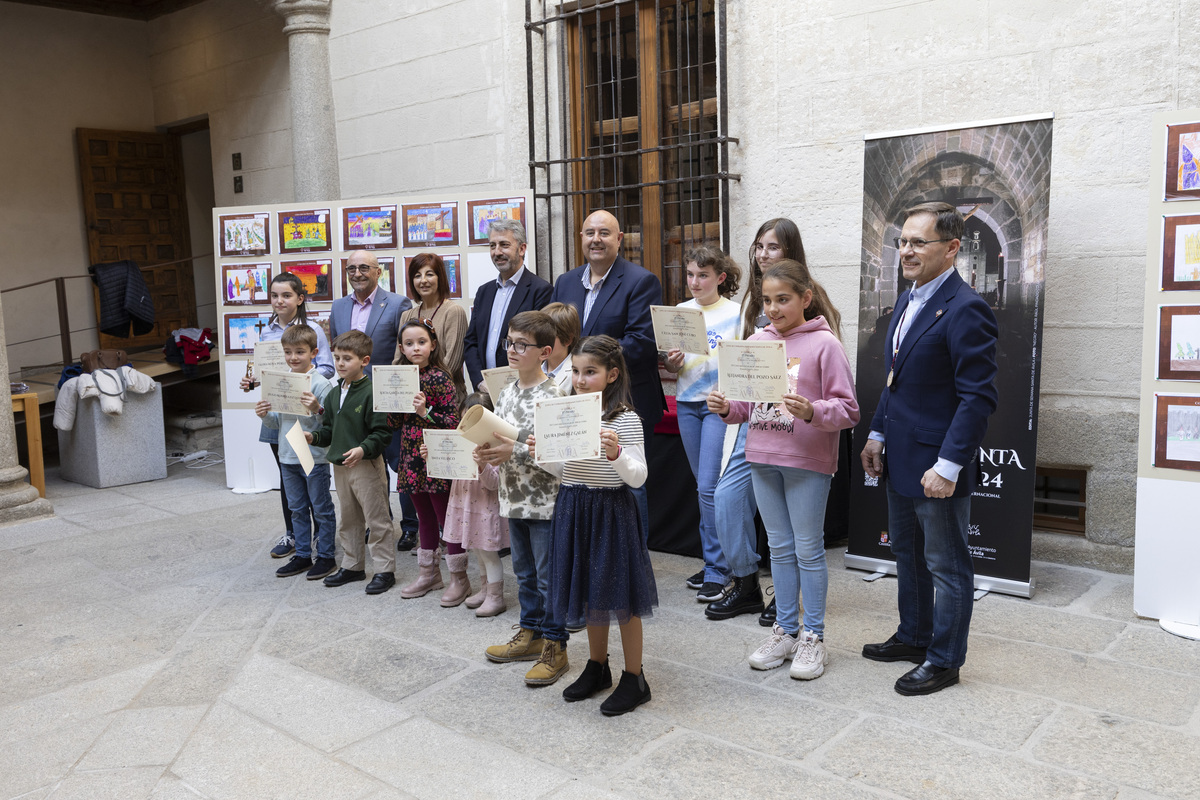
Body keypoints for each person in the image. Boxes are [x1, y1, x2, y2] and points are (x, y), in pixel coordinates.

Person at [859, 201, 998, 696]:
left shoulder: (966, 309)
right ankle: (914, 635)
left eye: (919, 242)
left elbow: (977, 398)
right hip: (899, 455)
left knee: (947, 565)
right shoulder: (909, 298)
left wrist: (949, 466)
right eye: (903, 242)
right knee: (907, 554)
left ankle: (943, 660)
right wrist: (877, 433)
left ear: (952, 248)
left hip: (936, 466)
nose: (907, 251)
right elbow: (896, 381)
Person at [708, 259, 859, 680]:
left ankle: (813, 637)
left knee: (809, 550)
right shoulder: (758, 341)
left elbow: (849, 409)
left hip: (806, 462)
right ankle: (785, 630)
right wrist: (726, 407)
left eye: (783, 300)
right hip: (762, 457)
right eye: (768, 301)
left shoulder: (825, 345)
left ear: (806, 299)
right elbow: (744, 404)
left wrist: (813, 410)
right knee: (779, 550)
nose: (773, 309)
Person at [529, 335, 658, 715]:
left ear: (612, 374)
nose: (581, 380)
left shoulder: (626, 418)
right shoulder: (566, 412)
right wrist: (542, 455)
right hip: (573, 505)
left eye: (591, 372)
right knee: (588, 590)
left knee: (623, 596)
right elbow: (561, 469)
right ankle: (597, 666)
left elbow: (638, 477)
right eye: (575, 372)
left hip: (610, 511)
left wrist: (616, 453)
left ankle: (635, 677)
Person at [704, 218, 806, 624]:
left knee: (791, 524)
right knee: (726, 500)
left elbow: (822, 355)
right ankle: (745, 583)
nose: (763, 254)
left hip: (795, 421)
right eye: (759, 247)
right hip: (750, 418)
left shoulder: (809, 296)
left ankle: (787, 596)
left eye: (773, 248)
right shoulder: (750, 302)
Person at [550, 209, 663, 538]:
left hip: (626, 399)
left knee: (630, 484)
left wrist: (594, 361)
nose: (596, 239)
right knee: (582, 475)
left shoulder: (641, 281)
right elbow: (557, 338)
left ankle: (634, 558)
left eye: (604, 233)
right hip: (578, 397)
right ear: (581, 238)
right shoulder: (566, 282)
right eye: (589, 233)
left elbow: (642, 343)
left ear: (619, 239)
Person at [476, 311, 569, 686]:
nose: (512, 350)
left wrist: (510, 451)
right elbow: (502, 439)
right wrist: (485, 451)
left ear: (545, 351)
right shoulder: (509, 390)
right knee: (525, 575)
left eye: (521, 345)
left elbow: (559, 458)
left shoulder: (556, 396)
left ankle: (555, 646)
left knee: (548, 578)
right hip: (513, 496)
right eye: (509, 342)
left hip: (545, 501)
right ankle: (529, 634)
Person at [662, 246, 740, 604]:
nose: (694, 282)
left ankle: (718, 569)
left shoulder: (736, 313)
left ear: (720, 278)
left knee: (710, 486)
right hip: (687, 402)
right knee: (701, 486)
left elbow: (741, 364)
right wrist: (673, 362)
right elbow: (672, 367)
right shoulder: (680, 312)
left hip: (717, 406)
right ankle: (714, 561)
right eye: (690, 275)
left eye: (703, 275)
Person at [240, 271, 334, 560]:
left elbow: (327, 368)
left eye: (286, 295)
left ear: (300, 298)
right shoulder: (267, 330)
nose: (279, 301)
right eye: (274, 295)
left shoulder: (312, 329)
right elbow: (265, 371)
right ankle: (294, 535)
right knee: (288, 473)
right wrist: (254, 382)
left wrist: (299, 382)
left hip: (304, 417)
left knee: (311, 474)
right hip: (278, 414)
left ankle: (321, 536)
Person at [328, 250, 417, 551]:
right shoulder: (338, 306)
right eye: (351, 268)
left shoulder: (397, 304)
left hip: (390, 399)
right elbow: (337, 349)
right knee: (368, 463)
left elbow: (405, 349)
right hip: (356, 400)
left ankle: (411, 527)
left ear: (378, 271)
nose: (357, 273)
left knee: (399, 462)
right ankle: (381, 521)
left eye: (364, 267)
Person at [308, 330, 397, 595]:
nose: (340, 364)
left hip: (365, 465)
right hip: (340, 466)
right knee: (348, 518)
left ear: (365, 360)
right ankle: (353, 565)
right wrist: (313, 436)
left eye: (347, 358)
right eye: (337, 358)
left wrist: (362, 449)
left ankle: (384, 570)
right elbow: (330, 432)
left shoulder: (372, 392)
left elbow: (382, 433)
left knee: (377, 518)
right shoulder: (335, 394)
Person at [386, 320, 464, 601]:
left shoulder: (439, 377)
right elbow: (394, 422)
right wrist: (392, 405)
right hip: (410, 456)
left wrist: (424, 410)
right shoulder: (399, 376)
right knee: (423, 518)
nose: (415, 348)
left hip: (435, 456)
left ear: (433, 345)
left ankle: (459, 578)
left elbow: (453, 422)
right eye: (409, 343)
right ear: (401, 348)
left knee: (446, 518)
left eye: (421, 342)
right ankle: (429, 575)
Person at [256, 324, 337, 581]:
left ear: (314, 352)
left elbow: (330, 425)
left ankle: (326, 556)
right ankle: (302, 554)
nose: (293, 357)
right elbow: (276, 422)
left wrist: (317, 408)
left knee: (321, 508)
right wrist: (265, 414)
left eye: (300, 352)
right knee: (297, 509)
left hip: (312, 454)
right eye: (288, 352)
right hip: (288, 454)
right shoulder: (281, 381)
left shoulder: (322, 385)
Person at [433, 392, 509, 616]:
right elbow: (446, 470)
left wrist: (482, 465)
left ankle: (496, 596)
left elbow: (494, 483)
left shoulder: (495, 446)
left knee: (489, 553)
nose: (468, 430)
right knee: (477, 550)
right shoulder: (461, 443)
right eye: (465, 422)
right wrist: (434, 456)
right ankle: (486, 590)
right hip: (467, 504)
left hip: (485, 507)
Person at [463, 219, 553, 396]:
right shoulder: (484, 291)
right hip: (485, 392)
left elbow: (540, 345)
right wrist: (480, 382)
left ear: (522, 249)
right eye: (492, 245)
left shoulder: (540, 290)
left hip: (522, 392)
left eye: (504, 245)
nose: (497, 252)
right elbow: (471, 342)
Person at [399, 253, 468, 399]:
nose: (423, 280)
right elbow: (398, 360)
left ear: (440, 277)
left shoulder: (453, 311)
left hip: (445, 399)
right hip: (412, 399)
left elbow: (451, 363)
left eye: (429, 274)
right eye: (417, 276)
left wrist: (423, 389)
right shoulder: (406, 316)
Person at [541, 301, 580, 393]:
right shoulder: (534, 368)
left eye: (547, 337)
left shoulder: (576, 375)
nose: (540, 342)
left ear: (568, 339)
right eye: (538, 336)